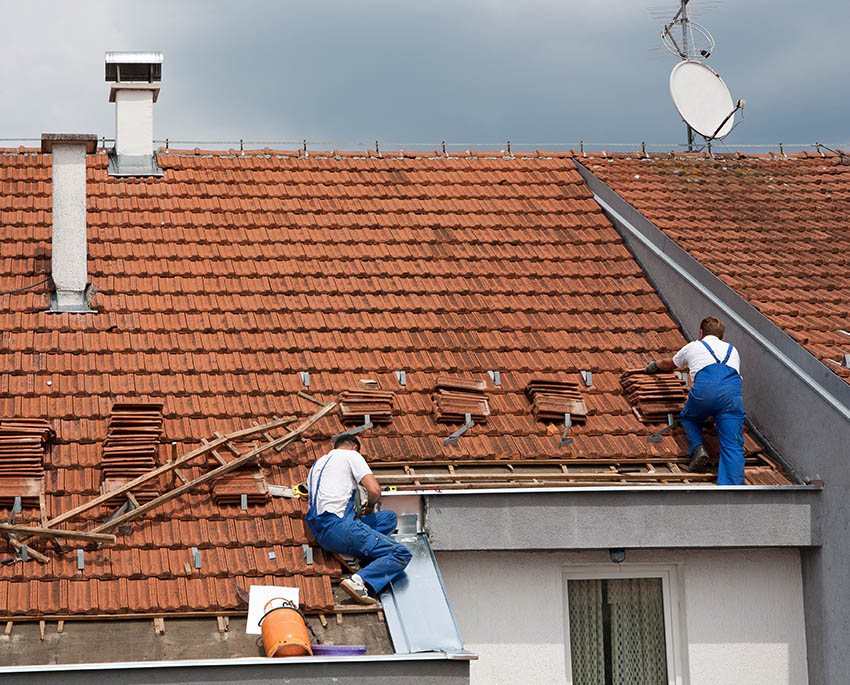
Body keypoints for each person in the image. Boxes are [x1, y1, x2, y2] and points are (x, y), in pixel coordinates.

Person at [304, 434, 412, 604]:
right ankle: (358, 581)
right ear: (354, 447)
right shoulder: (352, 455)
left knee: (388, 518)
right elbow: (375, 491)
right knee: (401, 553)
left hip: (321, 531)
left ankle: (350, 551)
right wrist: (369, 507)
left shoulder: (318, 464)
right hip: (341, 528)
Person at [645, 316, 746, 485]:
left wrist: (654, 365)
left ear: (701, 332)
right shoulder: (732, 349)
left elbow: (670, 364)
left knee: (689, 417)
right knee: (733, 445)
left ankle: (698, 448)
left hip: (705, 391)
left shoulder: (694, 346)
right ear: (721, 335)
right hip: (732, 395)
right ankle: (734, 489)